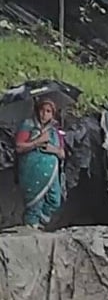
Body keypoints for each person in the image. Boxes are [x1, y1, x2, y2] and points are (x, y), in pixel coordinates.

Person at [13, 98, 67, 229]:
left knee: (55, 201)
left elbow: (62, 154)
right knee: (34, 204)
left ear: (52, 114)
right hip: (32, 172)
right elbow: (19, 147)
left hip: (51, 174)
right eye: (42, 110)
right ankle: (31, 228)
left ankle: (40, 223)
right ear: (37, 111)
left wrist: (52, 149)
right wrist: (37, 142)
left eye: (48, 111)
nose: (44, 114)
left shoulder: (54, 131)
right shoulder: (28, 125)